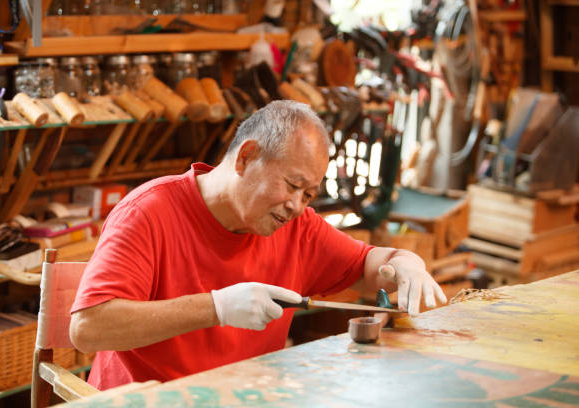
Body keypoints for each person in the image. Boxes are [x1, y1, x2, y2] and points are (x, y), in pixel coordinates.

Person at [69, 100, 447, 390]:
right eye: (292, 185)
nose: (297, 206)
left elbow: (368, 265)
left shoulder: (297, 227)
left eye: (309, 195)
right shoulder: (149, 213)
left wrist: (406, 263)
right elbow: (87, 329)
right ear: (246, 157)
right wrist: (217, 307)